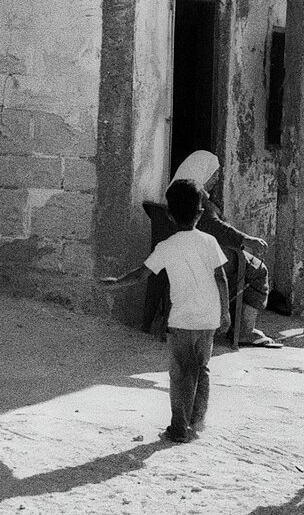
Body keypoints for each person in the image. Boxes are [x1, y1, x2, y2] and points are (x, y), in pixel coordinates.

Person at [100, 179, 231, 443]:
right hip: (208, 319)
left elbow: (141, 275)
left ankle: (178, 428)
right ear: (201, 212)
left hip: (182, 322)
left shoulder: (166, 246)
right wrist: (225, 312)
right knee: (202, 368)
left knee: (181, 373)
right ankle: (196, 421)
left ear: (169, 215)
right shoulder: (209, 241)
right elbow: (221, 279)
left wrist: (115, 283)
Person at [170, 150, 282, 348]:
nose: (216, 179)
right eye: (214, 174)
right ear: (202, 172)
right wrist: (246, 240)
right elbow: (216, 228)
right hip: (206, 260)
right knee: (258, 270)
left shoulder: (174, 195)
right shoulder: (198, 200)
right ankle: (245, 330)